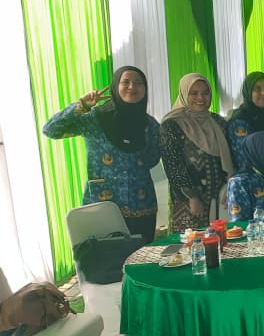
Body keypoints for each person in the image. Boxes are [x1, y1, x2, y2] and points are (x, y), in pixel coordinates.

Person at [43, 66, 161, 241]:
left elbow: (153, 158)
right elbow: (51, 130)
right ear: (115, 86)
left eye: (138, 83)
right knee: (105, 257)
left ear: (145, 89)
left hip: (142, 207)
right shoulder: (96, 119)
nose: (132, 87)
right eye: (125, 82)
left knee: (142, 256)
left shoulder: (150, 125)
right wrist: (81, 105)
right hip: (102, 207)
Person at [160, 73, 234, 231]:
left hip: (220, 198)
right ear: (184, 94)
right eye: (194, 93)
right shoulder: (171, 125)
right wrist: (192, 196)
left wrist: (231, 186)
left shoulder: (219, 122)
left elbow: (232, 156)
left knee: (223, 240)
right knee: (192, 242)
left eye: (205, 93)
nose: (200, 98)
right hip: (189, 202)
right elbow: (173, 165)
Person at [226, 71, 264, 169]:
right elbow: (243, 160)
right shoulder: (240, 120)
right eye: (257, 89)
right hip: (253, 174)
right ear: (249, 92)